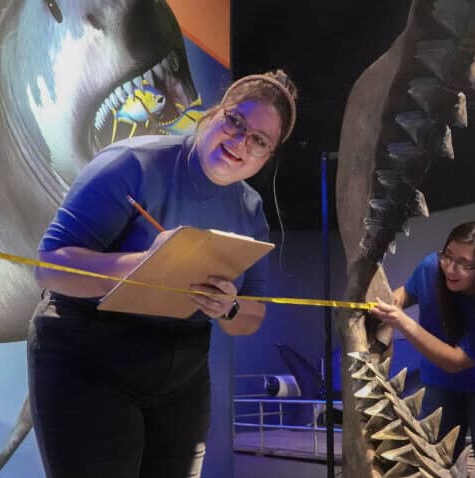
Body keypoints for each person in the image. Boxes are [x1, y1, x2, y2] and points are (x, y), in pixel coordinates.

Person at [28, 70, 298, 478]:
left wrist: (227, 307)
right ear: (213, 114)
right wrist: (141, 264)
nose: (240, 142)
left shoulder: (250, 210)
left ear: (268, 156)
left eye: (258, 140)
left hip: (181, 374)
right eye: (235, 121)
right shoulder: (131, 164)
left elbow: (251, 315)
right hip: (88, 359)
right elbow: (48, 267)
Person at [371, 221, 475, 478]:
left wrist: (401, 321)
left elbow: (454, 360)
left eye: (465, 264)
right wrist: (389, 303)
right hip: (439, 382)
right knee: (434, 462)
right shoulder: (431, 267)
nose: (451, 269)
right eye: (448, 256)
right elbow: (404, 294)